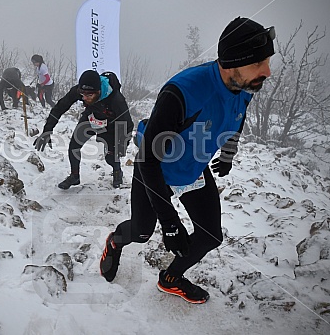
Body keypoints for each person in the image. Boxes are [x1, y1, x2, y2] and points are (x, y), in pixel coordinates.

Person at [99, 16, 275, 304]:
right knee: (143, 232)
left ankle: (170, 278)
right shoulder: (183, 91)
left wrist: (228, 154)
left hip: (192, 168)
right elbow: (147, 161)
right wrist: (169, 222)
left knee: (210, 236)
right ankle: (114, 242)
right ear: (233, 62)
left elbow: (236, 119)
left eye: (267, 61)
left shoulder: (245, 86)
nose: (267, 71)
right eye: (259, 63)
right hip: (155, 168)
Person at [34, 70, 134, 189]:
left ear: (98, 92)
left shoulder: (116, 99)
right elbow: (60, 107)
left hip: (111, 124)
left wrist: (122, 145)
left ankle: (117, 172)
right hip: (91, 118)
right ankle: (74, 176)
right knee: (74, 146)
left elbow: (128, 124)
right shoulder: (79, 91)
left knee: (111, 157)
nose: (85, 98)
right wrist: (47, 130)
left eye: (89, 95)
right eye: (82, 95)